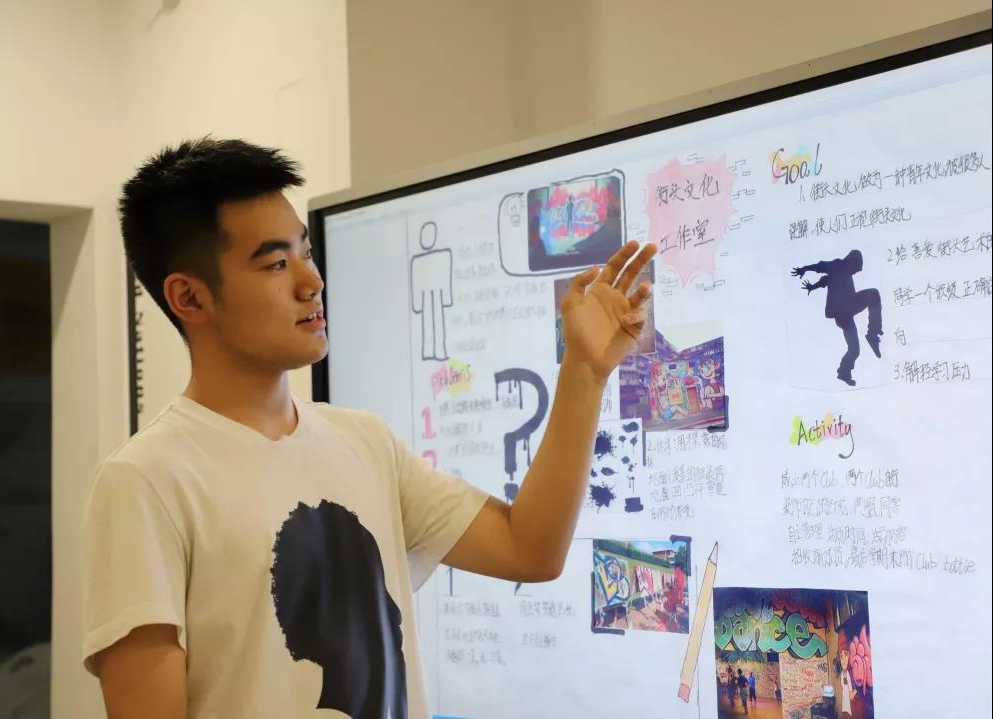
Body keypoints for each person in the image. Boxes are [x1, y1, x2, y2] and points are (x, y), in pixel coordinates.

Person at [79, 137, 657, 718]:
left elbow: (530, 550)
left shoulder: (365, 442)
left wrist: (584, 372)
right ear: (189, 298)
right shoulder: (147, 480)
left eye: (306, 253)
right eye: (276, 264)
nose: (311, 281)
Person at [792, 250, 883, 387]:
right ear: (851, 262)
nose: (855, 273)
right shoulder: (838, 265)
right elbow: (821, 266)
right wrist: (805, 268)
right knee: (873, 294)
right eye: (856, 269)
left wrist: (812, 286)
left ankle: (843, 372)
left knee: (854, 350)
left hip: (845, 315)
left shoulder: (840, 274)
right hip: (844, 308)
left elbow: (824, 281)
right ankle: (872, 334)